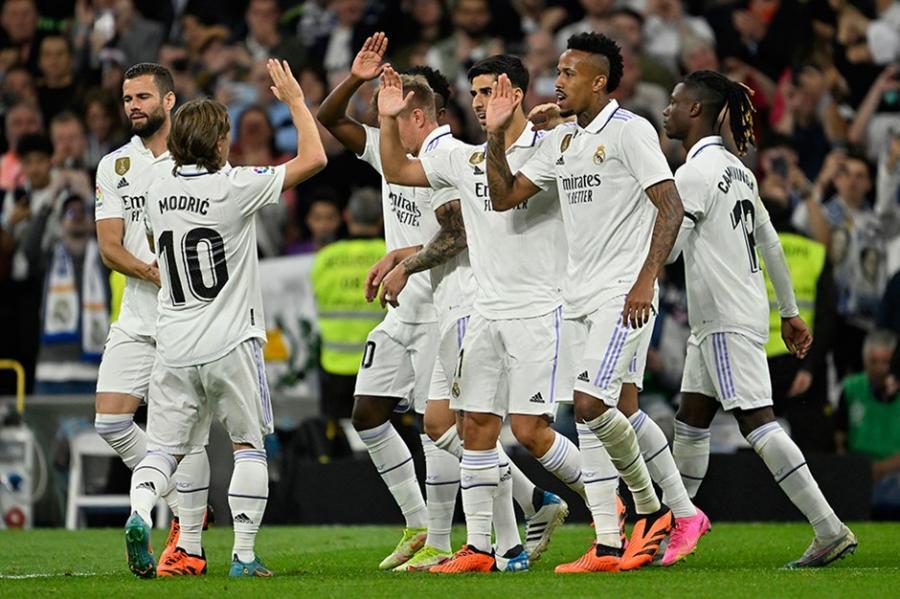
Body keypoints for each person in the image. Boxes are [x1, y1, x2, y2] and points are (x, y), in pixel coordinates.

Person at [485, 32, 701, 571]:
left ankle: (652, 510)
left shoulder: (630, 131)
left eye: (569, 73)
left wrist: (645, 281)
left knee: (591, 405)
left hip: (622, 295)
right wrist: (494, 135)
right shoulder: (563, 140)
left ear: (599, 82)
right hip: (577, 297)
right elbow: (505, 197)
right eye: (557, 71)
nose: (557, 81)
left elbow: (670, 207)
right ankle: (607, 544)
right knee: (594, 419)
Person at [376, 55, 587, 574]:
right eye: (474, 92)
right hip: (483, 311)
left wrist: (559, 119)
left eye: (489, 91)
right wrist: (385, 116)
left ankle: (616, 507)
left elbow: (502, 196)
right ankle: (490, 548)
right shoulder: (462, 157)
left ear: (516, 94)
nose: (478, 101)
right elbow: (398, 171)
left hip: (536, 310)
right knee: (471, 426)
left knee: (531, 431)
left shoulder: (548, 147)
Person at [122, 59, 326, 578]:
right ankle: (244, 556)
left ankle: (143, 513)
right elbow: (315, 158)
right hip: (230, 341)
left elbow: (153, 241)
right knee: (248, 447)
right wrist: (296, 102)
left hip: (173, 343)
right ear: (217, 143)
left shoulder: (154, 188)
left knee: (165, 450)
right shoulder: (235, 185)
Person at [661, 69, 857, 568]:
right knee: (691, 420)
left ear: (696, 110)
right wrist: (789, 312)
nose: (667, 110)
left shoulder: (693, 174)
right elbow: (770, 244)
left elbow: (670, 250)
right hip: (728, 313)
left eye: (675, 102)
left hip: (723, 314)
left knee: (756, 421)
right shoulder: (739, 170)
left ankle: (829, 528)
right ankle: (675, 527)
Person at [94, 63, 211, 578]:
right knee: (110, 421)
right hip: (137, 314)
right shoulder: (115, 165)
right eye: (127, 99)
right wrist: (149, 271)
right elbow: (109, 246)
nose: (133, 106)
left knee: (189, 437)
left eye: (142, 97)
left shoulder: (195, 160)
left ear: (168, 101)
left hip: (186, 319)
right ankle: (185, 503)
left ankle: (188, 537)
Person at [310, 187, 386, 440]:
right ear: (381, 219)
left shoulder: (324, 259)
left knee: (338, 441)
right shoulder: (390, 256)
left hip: (334, 366)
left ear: (347, 216)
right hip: (380, 367)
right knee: (382, 437)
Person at [835, 330, 900, 519]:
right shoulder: (851, 388)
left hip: (894, 470)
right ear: (864, 361)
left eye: (885, 362)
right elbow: (839, 434)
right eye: (873, 361)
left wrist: (880, 469)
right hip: (857, 469)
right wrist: (849, 466)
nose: (879, 368)